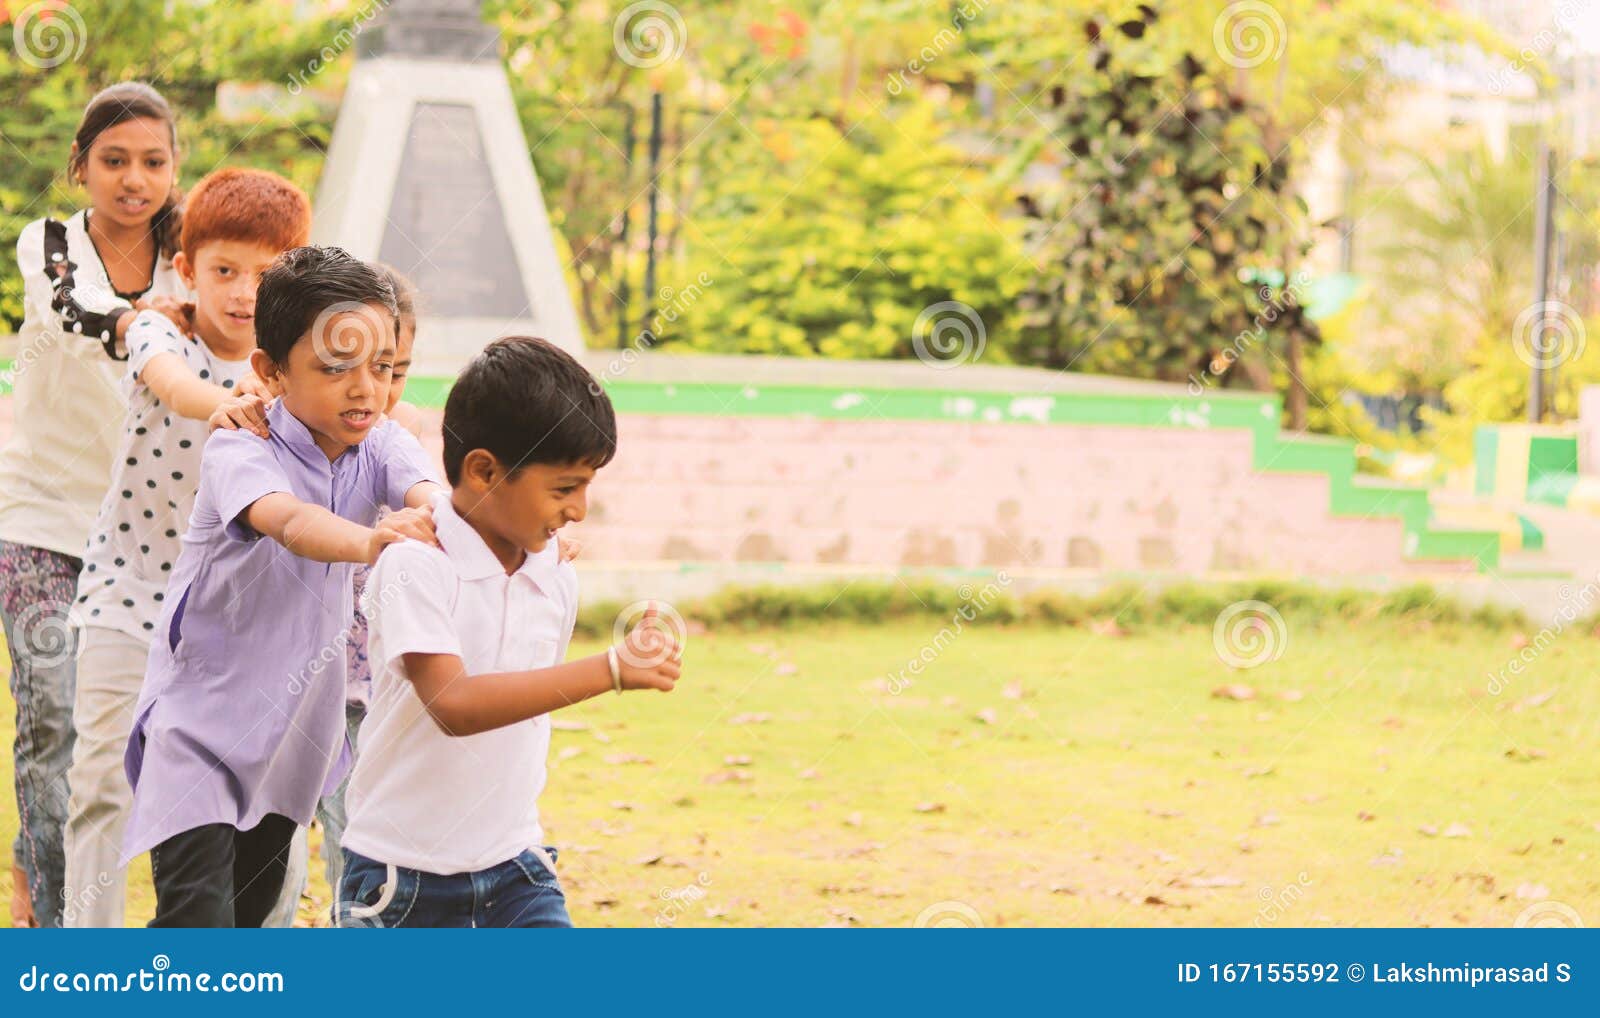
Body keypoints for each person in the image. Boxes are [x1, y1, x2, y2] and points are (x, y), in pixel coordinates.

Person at [119, 246, 441, 927]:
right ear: (270, 371)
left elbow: (434, 498)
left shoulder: (381, 443)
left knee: (244, 923)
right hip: (198, 733)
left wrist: (526, 535)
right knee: (196, 925)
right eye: (336, 367)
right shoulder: (241, 446)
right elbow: (290, 522)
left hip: (293, 740)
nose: (366, 389)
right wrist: (372, 540)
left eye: (382, 368)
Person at [337, 336, 683, 929]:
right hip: (402, 879)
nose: (579, 510)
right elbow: (456, 705)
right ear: (484, 471)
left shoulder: (554, 577)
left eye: (587, 487)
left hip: (517, 866)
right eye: (564, 488)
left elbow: (527, 702)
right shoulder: (417, 565)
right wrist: (612, 670)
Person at [59, 167, 309, 927]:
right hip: (128, 596)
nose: (242, 292)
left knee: (268, 796)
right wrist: (233, 403)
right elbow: (171, 384)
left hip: (239, 625)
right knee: (103, 783)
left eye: (265, 275)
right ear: (185, 269)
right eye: (224, 270)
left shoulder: (303, 363)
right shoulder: (161, 329)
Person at [0, 81, 189, 928]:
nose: (133, 179)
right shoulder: (47, 243)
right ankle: (53, 929)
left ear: (174, 169)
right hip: (38, 518)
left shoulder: (194, 255)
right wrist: (141, 325)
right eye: (113, 161)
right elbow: (70, 309)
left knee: (155, 741)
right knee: (54, 727)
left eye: (153, 162)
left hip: (148, 540)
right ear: (81, 167)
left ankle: (186, 921)